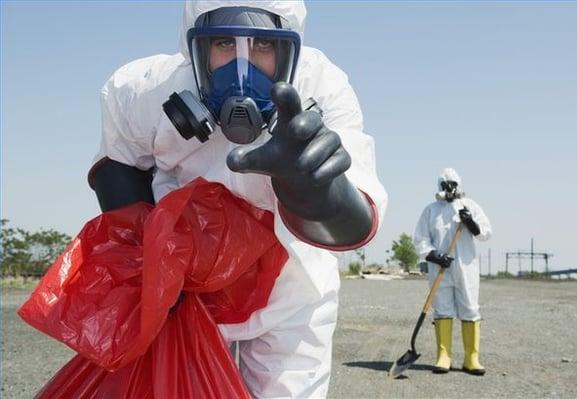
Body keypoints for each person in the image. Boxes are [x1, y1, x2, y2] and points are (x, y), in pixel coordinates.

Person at [87, 1, 387, 397]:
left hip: (292, 287)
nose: (241, 69)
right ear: (194, 48)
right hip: (188, 291)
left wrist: (315, 192)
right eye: (224, 43)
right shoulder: (147, 90)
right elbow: (119, 167)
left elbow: (357, 220)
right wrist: (150, 262)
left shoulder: (321, 87)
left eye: (264, 45)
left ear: (288, 51)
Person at [413, 168, 491, 375]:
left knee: (470, 308)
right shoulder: (430, 211)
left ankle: (471, 358)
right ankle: (444, 356)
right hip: (440, 269)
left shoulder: (470, 206)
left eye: (452, 184)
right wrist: (434, 256)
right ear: (439, 186)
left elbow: (486, 232)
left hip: (466, 268)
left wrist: (471, 223)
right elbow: (420, 240)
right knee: (442, 309)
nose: (449, 188)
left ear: (459, 185)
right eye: (445, 185)